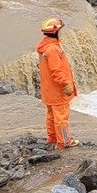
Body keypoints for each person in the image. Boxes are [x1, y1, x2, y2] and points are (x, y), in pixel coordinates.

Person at [37, 18, 79, 149]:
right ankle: (65, 141)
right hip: (57, 91)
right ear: (56, 32)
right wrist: (66, 84)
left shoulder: (45, 47)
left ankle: (53, 138)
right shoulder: (53, 50)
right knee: (61, 117)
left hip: (49, 91)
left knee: (51, 115)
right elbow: (56, 71)